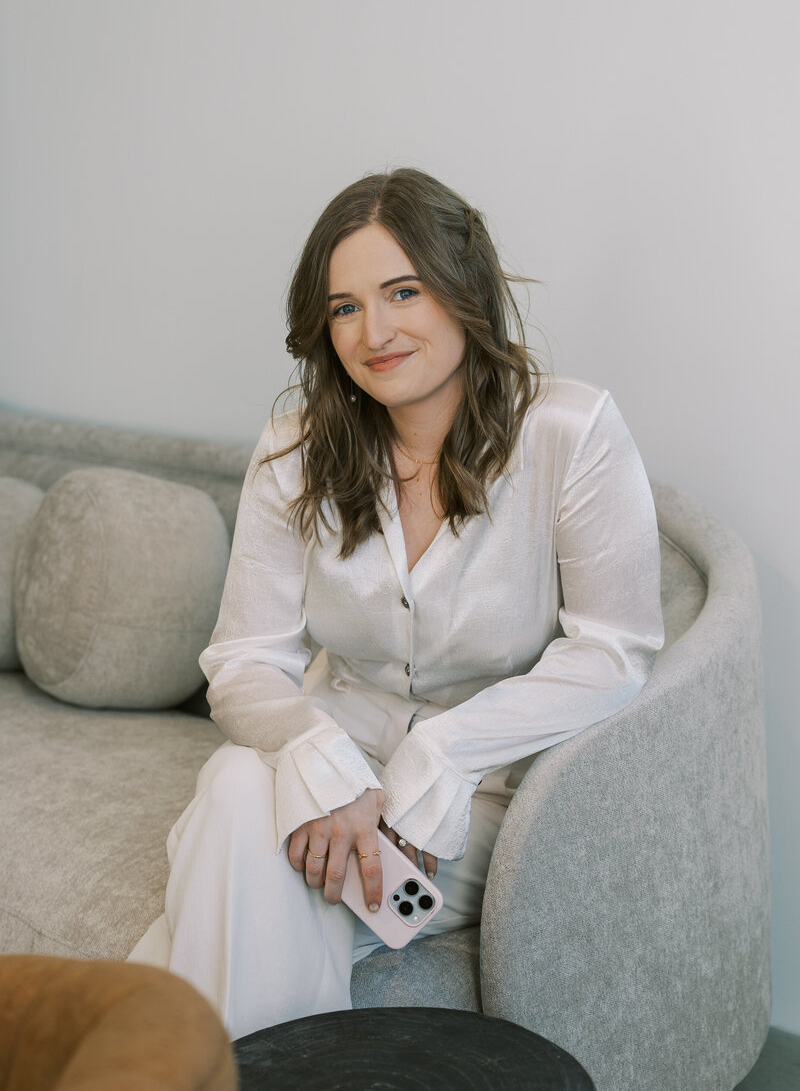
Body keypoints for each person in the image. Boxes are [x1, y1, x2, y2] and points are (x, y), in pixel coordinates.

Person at [129, 168, 664, 1040]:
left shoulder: (571, 434)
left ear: (464, 288)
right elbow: (244, 659)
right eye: (344, 307)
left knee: (229, 815)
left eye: (402, 292)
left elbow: (614, 650)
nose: (372, 333)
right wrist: (322, 760)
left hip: (481, 797)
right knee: (236, 786)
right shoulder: (293, 452)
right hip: (322, 764)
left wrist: (439, 757)